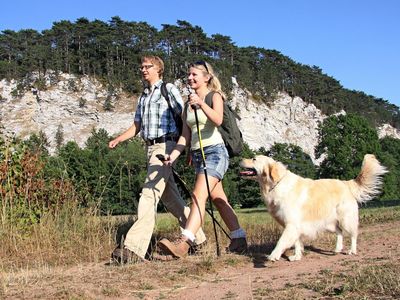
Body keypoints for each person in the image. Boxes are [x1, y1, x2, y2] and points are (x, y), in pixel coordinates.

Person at [109, 55, 206, 263]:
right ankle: (198, 239)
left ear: (158, 69)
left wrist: (185, 147)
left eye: (148, 66)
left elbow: (184, 118)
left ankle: (133, 248)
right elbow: (137, 126)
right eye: (141, 67)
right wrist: (119, 138)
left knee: (149, 193)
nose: (143, 70)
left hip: (166, 146)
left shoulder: (168, 89)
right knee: (172, 199)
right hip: (150, 148)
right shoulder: (143, 96)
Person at [158, 60, 247, 258]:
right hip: (198, 156)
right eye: (188, 75)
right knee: (219, 200)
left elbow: (218, 119)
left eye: (194, 75)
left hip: (215, 152)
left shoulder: (214, 96)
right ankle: (239, 239)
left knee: (198, 195)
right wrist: (171, 157)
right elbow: (184, 137)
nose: (190, 78)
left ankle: (184, 242)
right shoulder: (187, 106)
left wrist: (201, 104)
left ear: (206, 77)